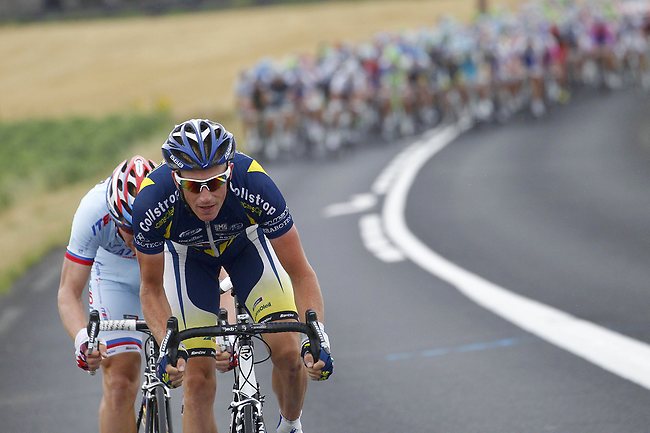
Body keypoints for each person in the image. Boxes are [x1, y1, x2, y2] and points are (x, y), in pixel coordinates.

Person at [132, 118, 334, 433]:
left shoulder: (254, 181)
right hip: (188, 260)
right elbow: (151, 289)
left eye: (214, 183)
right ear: (175, 179)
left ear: (229, 171)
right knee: (196, 379)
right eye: (193, 186)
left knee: (290, 354)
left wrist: (317, 336)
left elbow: (300, 272)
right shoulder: (151, 200)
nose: (205, 197)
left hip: (246, 247)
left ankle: (291, 424)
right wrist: (167, 345)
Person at [57, 155, 157, 433]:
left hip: (166, 270)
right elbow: (68, 291)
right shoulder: (93, 210)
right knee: (119, 381)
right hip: (115, 275)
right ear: (113, 217)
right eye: (129, 230)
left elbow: (215, 269)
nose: (138, 241)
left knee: (197, 372)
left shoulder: (174, 202)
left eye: (145, 230)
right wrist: (81, 340)